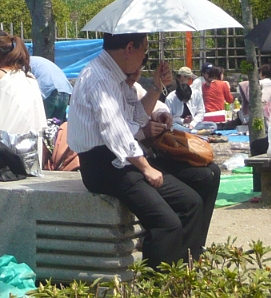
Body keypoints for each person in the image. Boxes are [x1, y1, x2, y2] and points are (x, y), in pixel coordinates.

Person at [68, 32, 220, 269]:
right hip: (105, 166)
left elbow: (136, 117)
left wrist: (157, 86)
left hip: (124, 160)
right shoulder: (100, 78)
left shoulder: (114, 75)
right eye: (144, 50)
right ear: (130, 47)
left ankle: (187, 266)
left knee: (193, 199)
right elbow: (114, 131)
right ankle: (158, 283)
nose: (144, 57)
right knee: (167, 223)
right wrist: (147, 168)